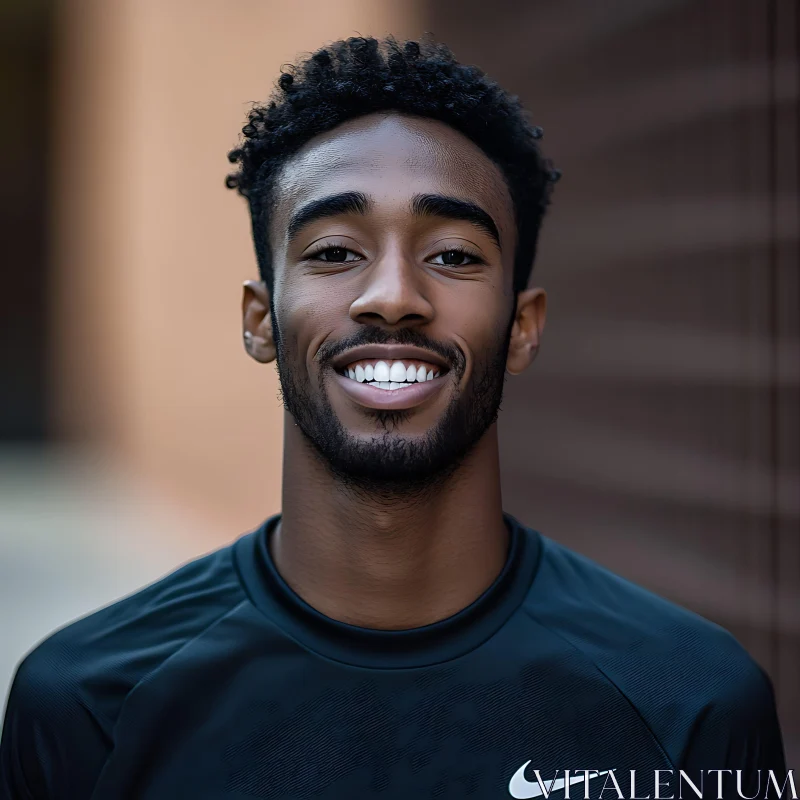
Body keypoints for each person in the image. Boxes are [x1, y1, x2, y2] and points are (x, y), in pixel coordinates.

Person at [1, 36, 787, 800]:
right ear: (260, 320)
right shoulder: (86, 705)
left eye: (452, 255)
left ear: (522, 327)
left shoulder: (693, 701)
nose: (393, 296)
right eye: (335, 251)